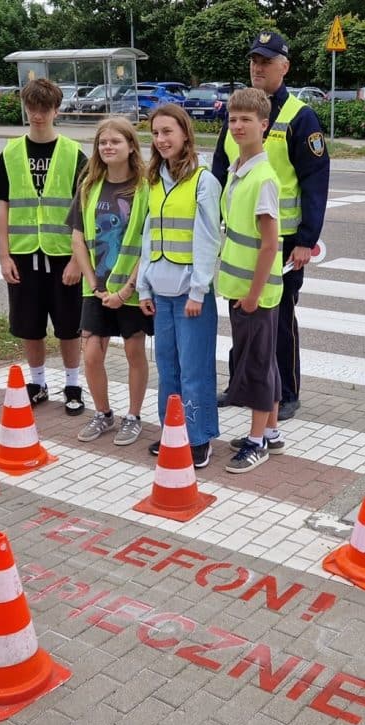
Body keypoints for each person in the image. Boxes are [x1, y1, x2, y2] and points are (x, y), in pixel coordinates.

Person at [212, 31, 330, 421]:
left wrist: (307, 241)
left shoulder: (299, 115)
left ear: (285, 66)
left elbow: (315, 182)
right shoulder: (238, 114)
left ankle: (287, 391)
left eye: (266, 60)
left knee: (278, 320)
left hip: (284, 242)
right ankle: (240, 384)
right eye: (253, 60)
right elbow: (216, 175)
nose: (257, 67)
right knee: (241, 315)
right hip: (239, 241)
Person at [0, 78, 88, 416]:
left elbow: (85, 210)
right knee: (29, 325)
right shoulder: (11, 152)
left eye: (44, 109)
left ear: (56, 110)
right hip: (24, 254)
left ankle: (73, 383)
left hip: (63, 256)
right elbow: (4, 206)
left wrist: (78, 260)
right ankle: (38, 382)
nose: (38, 115)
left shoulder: (74, 154)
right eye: (32, 108)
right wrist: (4, 256)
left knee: (69, 325)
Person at [137, 104, 221, 469]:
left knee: (195, 369)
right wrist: (143, 287)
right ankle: (173, 429)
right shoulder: (154, 180)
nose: (161, 139)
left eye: (168, 131)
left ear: (185, 133)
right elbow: (147, 236)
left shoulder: (203, 180)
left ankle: (199, 437)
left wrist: (199, 291)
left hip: (190, 296)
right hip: (161, 292)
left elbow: (207, 239)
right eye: (155, 133)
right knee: (168, 367)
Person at [68, 117, 152, 446]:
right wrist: (93, 282)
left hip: (131, 289)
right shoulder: (90, 185)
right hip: (96, 287)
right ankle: (103, 414)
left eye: (115, 141)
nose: (108, 147)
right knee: (90, 354)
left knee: (134, 352)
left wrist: (127, 288)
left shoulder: (144, 188)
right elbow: (78, 238)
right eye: (103, 142)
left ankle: (133, 416)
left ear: (131, 146)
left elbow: (148, 243)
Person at [218, 88, 286, 473]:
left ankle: (257, 441)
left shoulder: (262, 178)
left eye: (246, 119)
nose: (238, 125)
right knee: (265, 362)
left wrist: (253, 295)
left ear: (264, 125)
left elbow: (269, 244)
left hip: (254, 293)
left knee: (257, 367)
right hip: (243, 289)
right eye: (233, 119)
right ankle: (271, 432)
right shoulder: (238, 170)